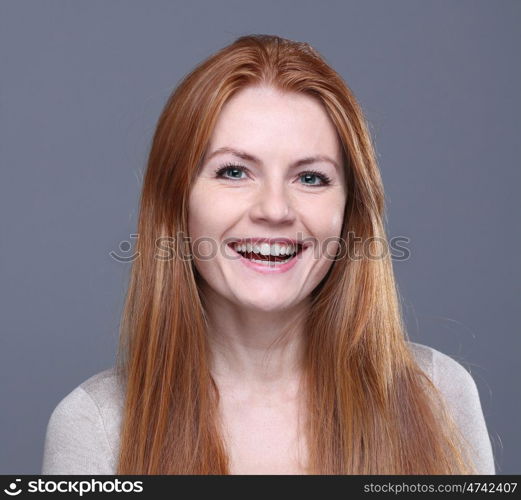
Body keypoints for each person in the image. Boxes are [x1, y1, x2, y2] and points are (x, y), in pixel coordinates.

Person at [41, 34, 495, 475]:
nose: (275, 210)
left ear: (349, 211)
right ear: (176, 203)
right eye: (234, 171)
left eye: (311, 178)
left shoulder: (438, 393)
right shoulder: (96, 426)